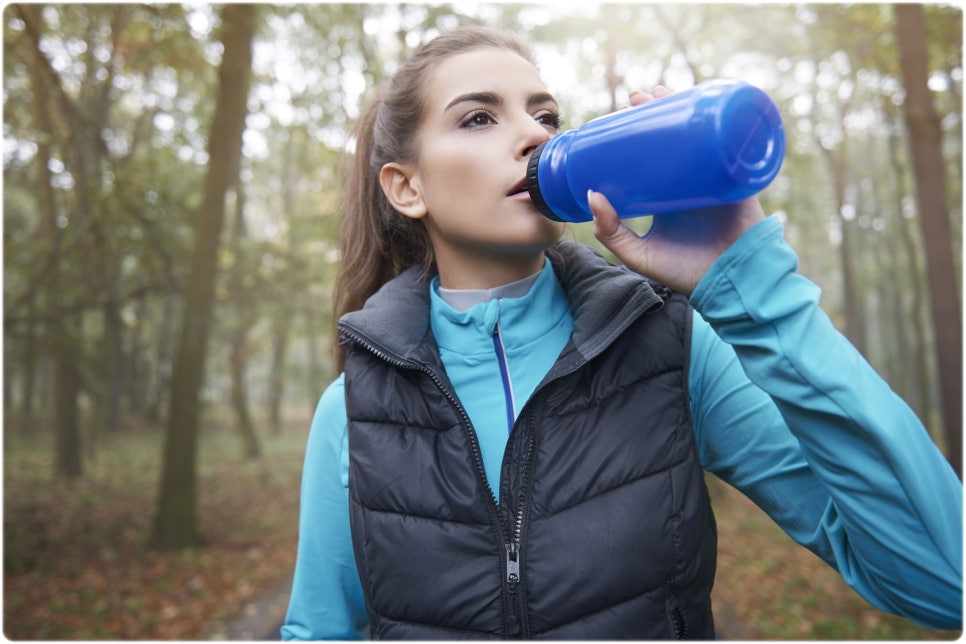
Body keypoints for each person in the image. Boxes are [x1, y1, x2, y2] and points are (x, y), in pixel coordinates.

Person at [281, 26, 962, 640]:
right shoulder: (352, 411)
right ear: (406, 188)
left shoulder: (672, 347)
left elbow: (944, 582)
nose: (537, 136)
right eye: (480, 117)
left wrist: (754, 289)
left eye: (546, 115)